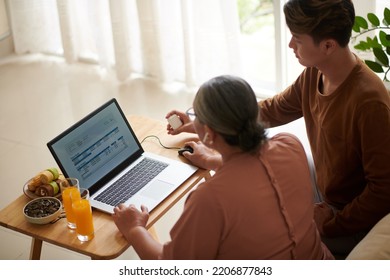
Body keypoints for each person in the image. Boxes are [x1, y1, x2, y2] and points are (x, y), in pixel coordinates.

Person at [167, 0, 390, 257]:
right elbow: (270, 111)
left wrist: (329, 222)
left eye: (297, 39)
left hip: (352, 216)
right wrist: (202, 122)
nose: (290, 45)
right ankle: (216, 161)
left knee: (256, 237)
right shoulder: (315, 73)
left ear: (328, 45)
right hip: (328, 190)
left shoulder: (369, 102)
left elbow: (383, 191)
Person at [113, 75, 333, 259]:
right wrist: (211, 160)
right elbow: (260, 170)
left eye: (195, 115)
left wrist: (134, 229)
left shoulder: (208, 200)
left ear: (209, 133)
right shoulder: (289, 144)